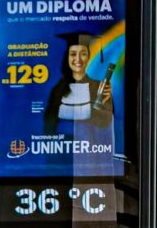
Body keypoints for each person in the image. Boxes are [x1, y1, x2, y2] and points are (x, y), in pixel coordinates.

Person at [42, 32, 115, 176]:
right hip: (61, 158)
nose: (77, 59)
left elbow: (106, 125)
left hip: (91, 158)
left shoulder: (99, 88)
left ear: (89, 57)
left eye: (83, 54)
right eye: (73, 54)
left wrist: (106, 106)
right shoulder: (58, 89)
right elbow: (48, 126)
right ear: (67, 57)